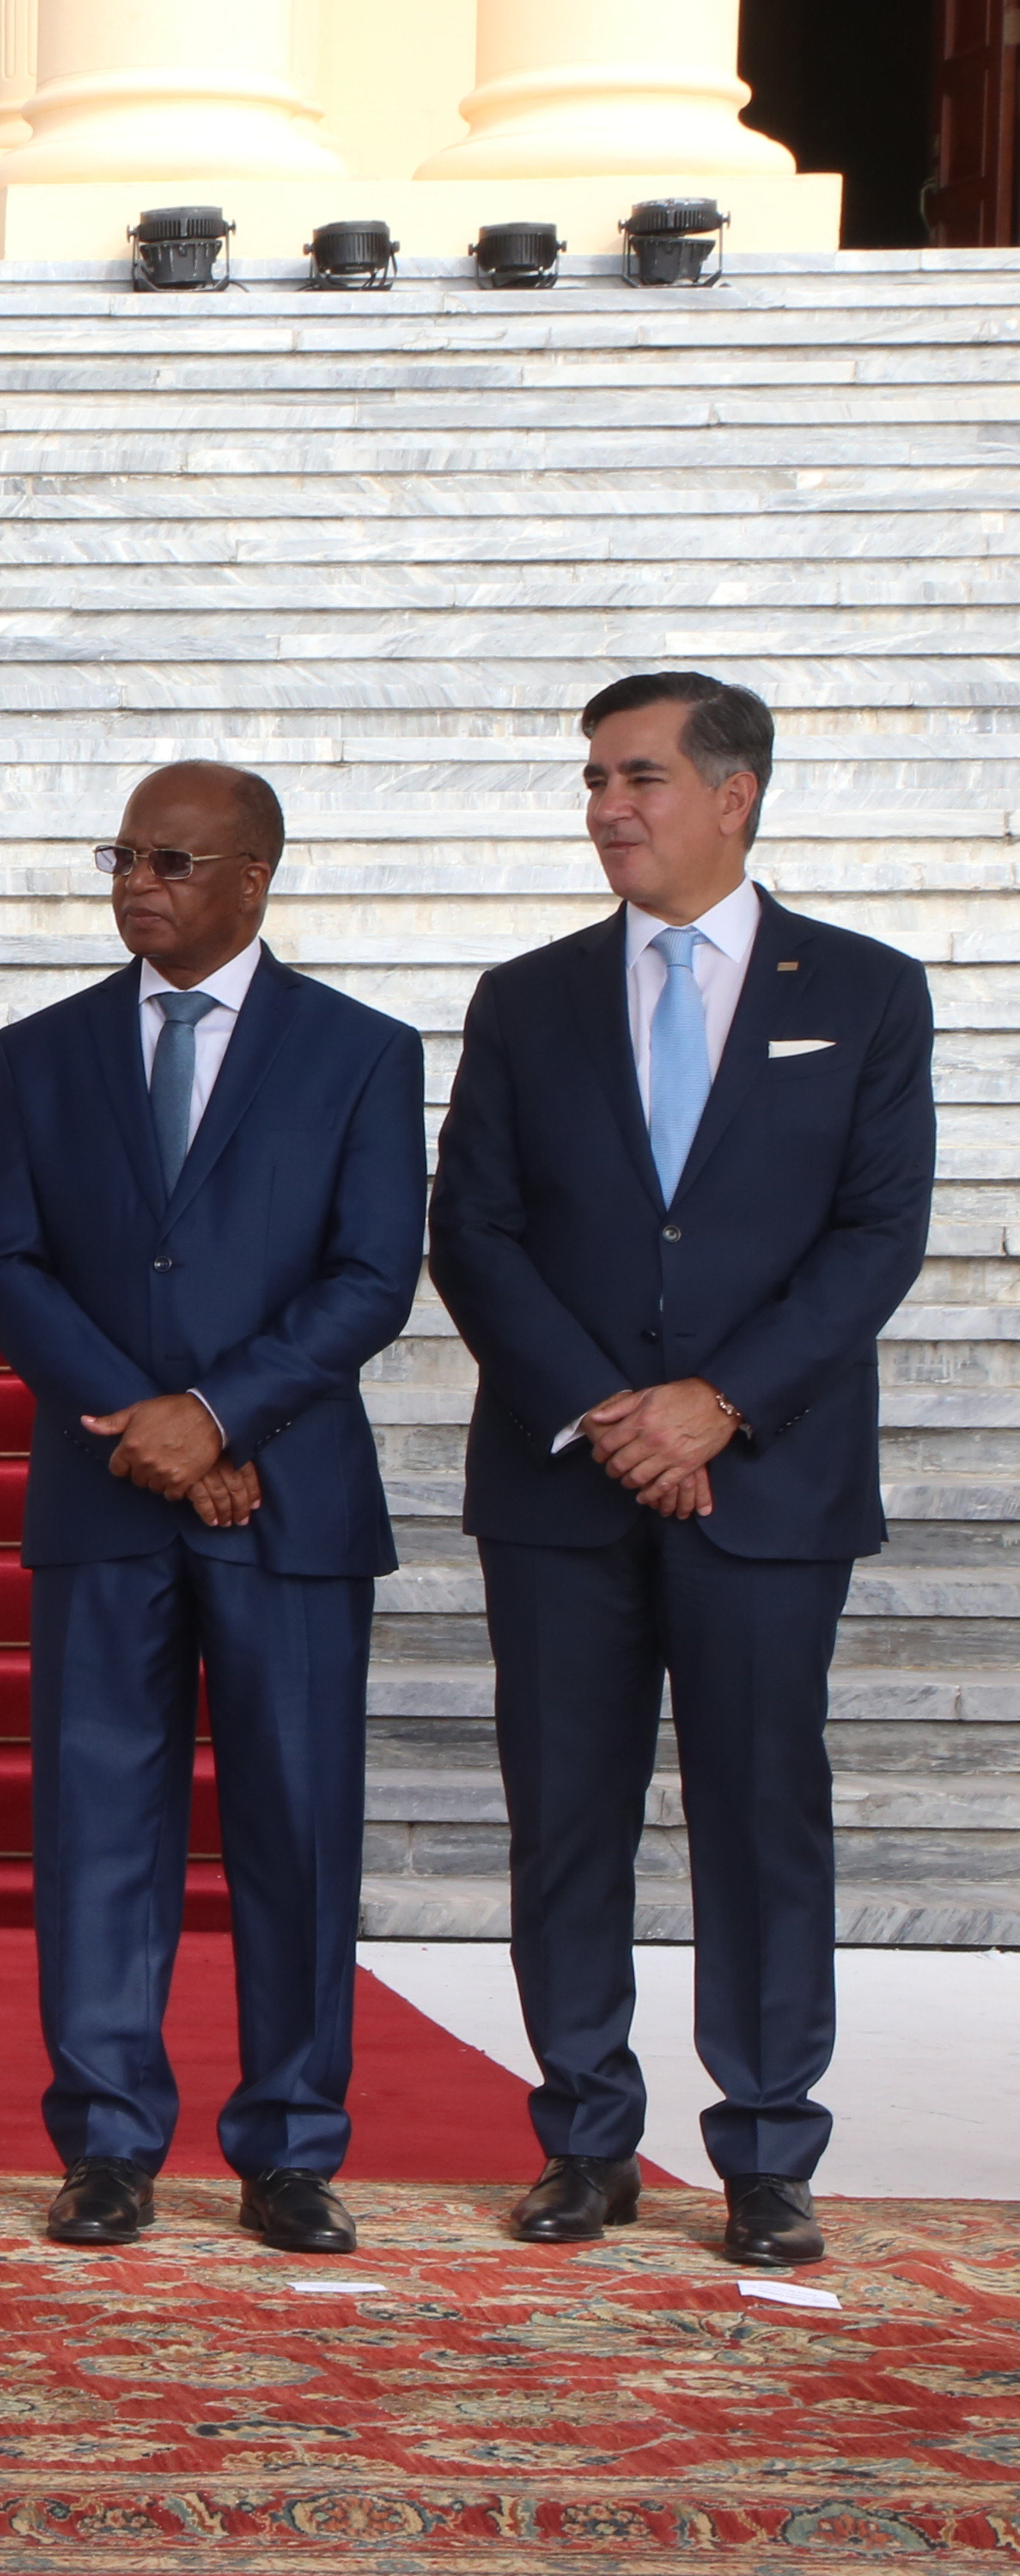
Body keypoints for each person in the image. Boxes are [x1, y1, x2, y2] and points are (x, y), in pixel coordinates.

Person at [428, 672, 932, 2270]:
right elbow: (473, 1231)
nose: (606, 807)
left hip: (766, 1483)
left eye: (636, 775)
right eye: (592, 779)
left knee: (762, 1815)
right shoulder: (525, 998)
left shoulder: (865, 989)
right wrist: (608, 1410)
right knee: (564, 1816)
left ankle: (769, 2152)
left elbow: (878, 1234)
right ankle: (584, 2136)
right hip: (562, 1484)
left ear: (735, 794)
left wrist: (719, 1403)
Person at [0, 764, 427, 2256]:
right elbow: (6, 1267)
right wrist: (149, 1424)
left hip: (286, 1501)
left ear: (252, 876)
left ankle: (290, 2149)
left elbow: (372, 1274)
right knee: (99, 1828)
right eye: (123, 856)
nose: (136, 884)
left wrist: (220, 1416)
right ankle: (106, 2144)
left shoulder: (359, 1052)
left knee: (297, 1830)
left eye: (170, 860)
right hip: (105, 1497)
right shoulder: (42, 1053)